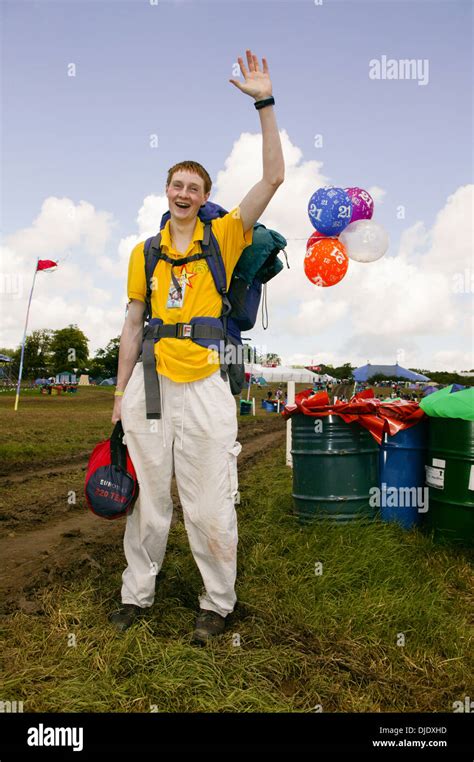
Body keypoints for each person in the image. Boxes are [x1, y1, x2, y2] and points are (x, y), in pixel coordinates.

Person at [109, 49, 284, 645]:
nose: (185, 193)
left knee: (209, 503)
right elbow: (133, 323)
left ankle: (218, 603)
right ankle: (137, 595)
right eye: (177, 185)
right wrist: (117, 393)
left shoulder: (226, 235)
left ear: (205, 197)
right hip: (149, 386)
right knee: (147, 500)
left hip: (207, 386)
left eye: (195, 187)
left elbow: (273, 179)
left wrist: (264, 102)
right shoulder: (145, 252)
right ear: (165, 191)